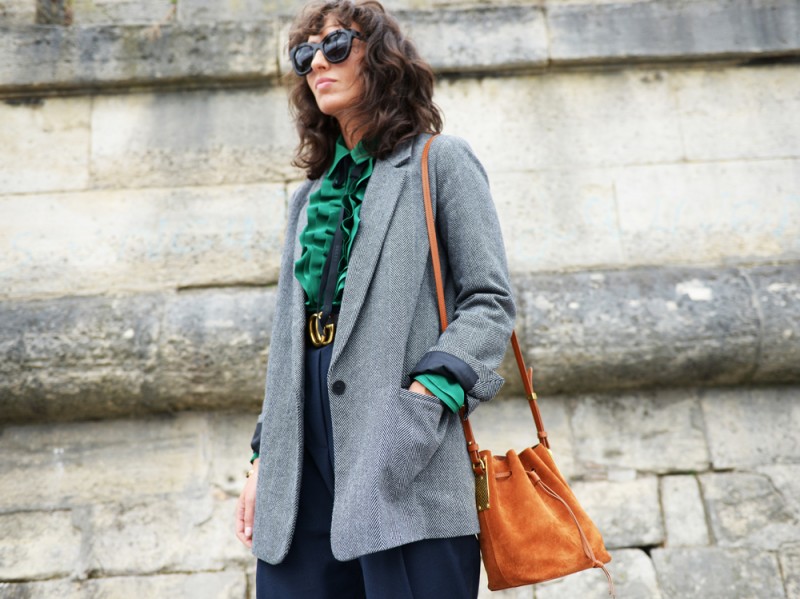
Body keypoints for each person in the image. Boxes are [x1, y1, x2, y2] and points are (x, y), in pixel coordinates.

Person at [235, 1, 515, 597]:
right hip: (299, 469)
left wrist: (419, 407)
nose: (317, 64)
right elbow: (288, 342)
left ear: (382, 58)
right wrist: (265, 458)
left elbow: (489, 302)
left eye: (336, 45)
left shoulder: (441, 163)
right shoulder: (307, 200)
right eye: (305, 54)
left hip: (401, 458)